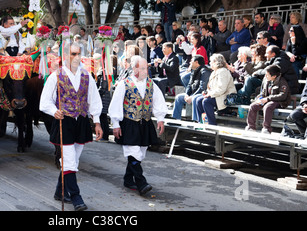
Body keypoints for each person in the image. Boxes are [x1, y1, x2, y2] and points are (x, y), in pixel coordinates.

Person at [39, 42, 103, 211]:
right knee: (68, 160)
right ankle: (76, 197)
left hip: (81, 121)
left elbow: (94, 100)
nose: (76, 57)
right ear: (65, 56)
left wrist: (97, 122)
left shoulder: (86, 76)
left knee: (73, 159)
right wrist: (54, 111)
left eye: (78, 54)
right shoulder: (56, 76)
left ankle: (59, 192)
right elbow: (44, 102)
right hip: (64, 122)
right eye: (73, 54)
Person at [108, 56, 167, 195]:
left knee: (141, 153)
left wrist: (160, 118)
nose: (145, 70)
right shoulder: (124, 84)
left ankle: (128, 179)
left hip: (145, 123)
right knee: (133, 152)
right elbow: (115, 104)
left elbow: (158, 101)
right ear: (134, 69)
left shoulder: (151, 84)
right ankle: (141, 182)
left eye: (146, 68)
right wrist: (115, 124)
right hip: (129, 123)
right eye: (142, 68)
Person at [245, 65, 291, 134]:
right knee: (253, 106)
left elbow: (282, 96)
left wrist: (268, 99)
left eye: (267, 75)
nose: (265, 76)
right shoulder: (266, 79)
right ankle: (250, 127)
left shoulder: (282, 82)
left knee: (267, 107)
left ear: (274, 76)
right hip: (266, 99)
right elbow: (263, 92)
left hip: (279, 101)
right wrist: (259, 97)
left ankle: (266, 128)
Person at [194, 53, 236, 125]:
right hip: (217, 95)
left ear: (217, 62)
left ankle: (211, 124)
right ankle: (202, 122)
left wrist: (210, 94)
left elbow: (222, 89)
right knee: (199, 100)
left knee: (206, 101)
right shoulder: (214, 72)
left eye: (211, 61)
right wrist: (207, 92)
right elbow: (210, 87)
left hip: (225, 96)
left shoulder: (223, 71)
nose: (210, 63)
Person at [172, 55, 211, 121]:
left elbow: (202, 87)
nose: (190, 63)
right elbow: (189, 85)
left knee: (195, 99)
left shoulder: (205, 71)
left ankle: (196, 121)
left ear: (196, 62)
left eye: (191, 61)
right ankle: (176, 119)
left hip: (201, 94)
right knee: (178, 97)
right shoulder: (194, 71)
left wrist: (192, 96)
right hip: (193, 93)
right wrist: (187, 94)